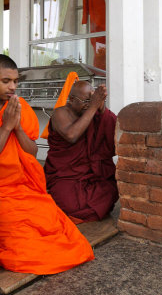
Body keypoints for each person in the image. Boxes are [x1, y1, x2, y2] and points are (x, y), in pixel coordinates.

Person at [0, 54, 94, 275]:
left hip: (24, 187)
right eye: (5, 81)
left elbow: (32, 151)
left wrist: (17, 127)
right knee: (21, 242)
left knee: (55, 224)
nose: (12, 87)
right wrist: (7, 126)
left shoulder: (20, 106)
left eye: (16, 81)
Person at [44, 81, 118, 223]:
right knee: (68, 203)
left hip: (92, 173)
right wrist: (94, 106)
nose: (90, 104)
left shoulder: (92, 113)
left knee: (111, 188)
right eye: (87, 101)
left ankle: (91, 210)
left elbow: (112, 137)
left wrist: (102, 109)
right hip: (66, 176)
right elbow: (72, 135)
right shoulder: (60, 113)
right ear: (71, 100)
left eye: (92, 100)